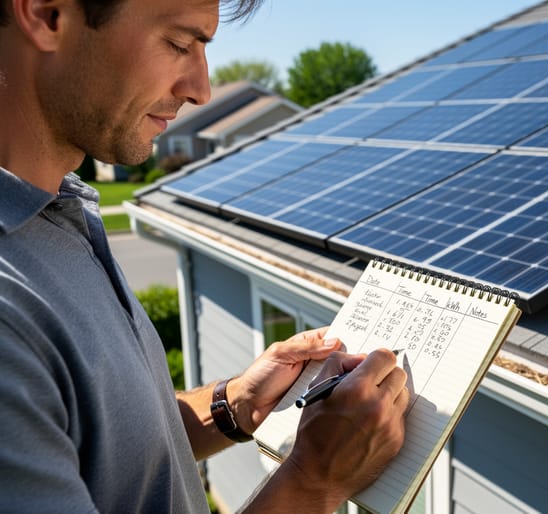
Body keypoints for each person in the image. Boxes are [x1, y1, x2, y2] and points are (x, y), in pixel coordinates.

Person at [0, 0, 409, 512]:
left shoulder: (56, 212)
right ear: (46, 13)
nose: (201, 89)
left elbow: (104, 447)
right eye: (177, 43)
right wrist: (316, 481)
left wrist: (233, 405)